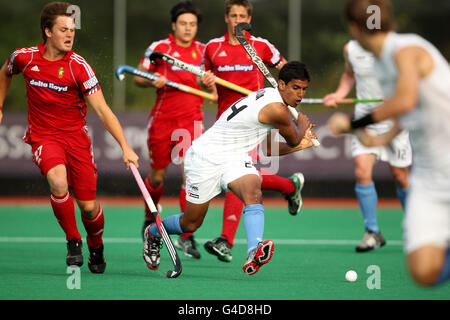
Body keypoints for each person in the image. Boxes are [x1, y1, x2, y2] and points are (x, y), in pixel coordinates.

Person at [0, 2, 139, 273]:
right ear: (47, 31)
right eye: (63, 29)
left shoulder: (79, 67)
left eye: (72, 30)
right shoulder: (24, 57)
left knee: (88, 208)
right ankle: (73, 240)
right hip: (43, 137)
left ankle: (96, 245)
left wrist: (125, 146)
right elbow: (5, 72)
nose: (69, 35)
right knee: (57, 180)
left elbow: (102, 110)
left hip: (76, 140)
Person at [143, 61, 316, 276]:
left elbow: (270, 149)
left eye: (304, 89)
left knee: (253, 190)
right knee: (190, 223)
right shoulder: (278, 111)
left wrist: (302, 142)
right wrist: (302, 127)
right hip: (204, 157)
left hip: (234, 158)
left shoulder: (272, 98)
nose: (300, 94)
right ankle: (153, 233)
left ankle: (254, 251)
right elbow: (293, 139)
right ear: (281, 84)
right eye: (295, 88)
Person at [328, 0, 450, 286]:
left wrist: (354, 123)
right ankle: (373, 231)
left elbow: (405, 99)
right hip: (431, 175)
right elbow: (410, 110)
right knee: (424, 272)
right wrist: (380, 138)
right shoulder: (380, 64)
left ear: (353, 28)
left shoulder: (406, 49)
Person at [199, 0, 305, 263]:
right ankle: (290, 186)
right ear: (226, 18)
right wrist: (208, 83)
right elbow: (209, 89)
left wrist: (289, 95)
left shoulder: (261, 46)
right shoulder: (212, 48)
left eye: (242, 16)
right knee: (246, 174)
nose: (237, 20)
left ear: (249, 19)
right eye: (233, 15)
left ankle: (225, 240)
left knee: (238, 173)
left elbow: (287, 72)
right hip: (226, 122)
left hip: (257, 120)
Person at [134, 1, 215, 260]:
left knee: (189, 177)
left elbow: (214, 93)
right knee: (157, 177)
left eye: (192, 24)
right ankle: (150, 217)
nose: (188, 28)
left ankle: (186, 236)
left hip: (190, 121)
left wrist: (210, 86)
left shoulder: (205, 52)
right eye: (183, 23)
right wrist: (150, 79)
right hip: (162, 121)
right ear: (174, 25)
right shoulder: (160, 48)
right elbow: (137, 76)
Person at [323, 39, 411, 252]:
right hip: (365, 122)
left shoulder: (396, 47)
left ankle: (415, 227)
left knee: (400, 176)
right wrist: (338, 94)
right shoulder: (350, 49)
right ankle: (372, 232)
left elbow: (410, 79)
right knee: (362, 171)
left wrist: (395, 92)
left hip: (394, 120)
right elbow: (349, 76)